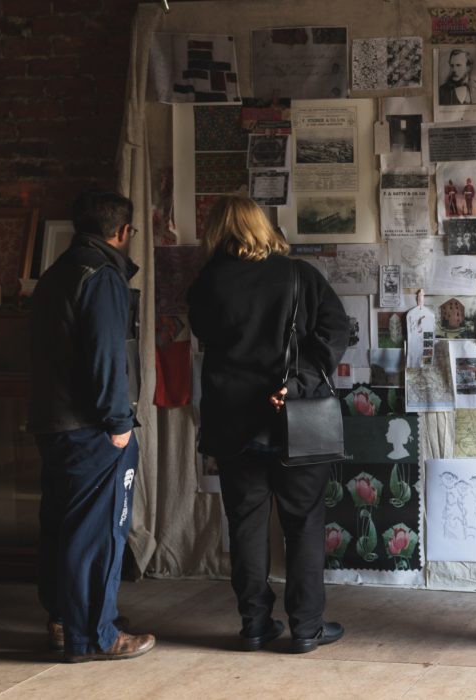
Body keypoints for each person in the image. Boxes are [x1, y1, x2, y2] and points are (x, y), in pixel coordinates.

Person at [187, 196, 350, 654]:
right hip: (293, 421)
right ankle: (306, 626)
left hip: (233, 426)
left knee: (246, 527)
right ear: (262, 226)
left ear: (217, 231)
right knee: (303, 524)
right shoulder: (298, 275)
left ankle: (255, 625)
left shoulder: (206, 284)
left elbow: (206, 335)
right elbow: (336, 330)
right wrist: (296, 383)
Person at [29, 190, 155, 662]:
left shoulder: (57, 273)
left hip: (52, 422)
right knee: (100, 531)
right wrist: (118, 422)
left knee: (63, 528)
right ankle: (97, 636)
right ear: (122, 232)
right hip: (92, 427)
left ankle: (65, 621)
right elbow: (106, 357)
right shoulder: (102, 277)